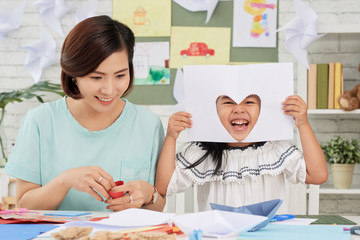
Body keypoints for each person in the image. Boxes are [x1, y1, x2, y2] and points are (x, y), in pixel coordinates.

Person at [4, 15, 165, 212]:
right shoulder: (40, 121)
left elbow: (158, 208)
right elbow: (23, 205)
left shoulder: (148, 125)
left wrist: (149, 194)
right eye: (97, 77)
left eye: (120, 75)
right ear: (74, 74)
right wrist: (65, 181)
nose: (109, 89)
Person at [155, 94, 328, 213]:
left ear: (263, 109)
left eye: (249, 102)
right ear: (213, 109)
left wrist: (303, 124)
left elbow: (318, 175)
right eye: (228, 102)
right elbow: (163, 186)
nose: (239, 109)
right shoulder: (202, 152)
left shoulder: (275, 149)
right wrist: (171, 136)